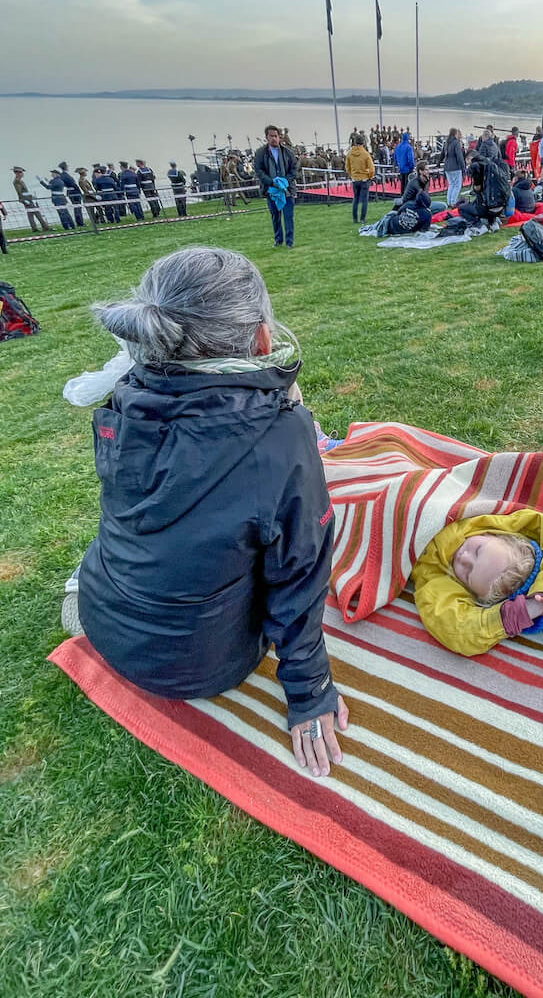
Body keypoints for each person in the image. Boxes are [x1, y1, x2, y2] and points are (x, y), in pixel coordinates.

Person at [75, 247, 347, 777]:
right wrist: (310, 690)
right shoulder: (280, 435)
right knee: (292, 527)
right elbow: (300, 571)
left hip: (104, 619)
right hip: (200, 664)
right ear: (261, 339)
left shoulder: (126, 396)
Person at [410, 510, 543, 656]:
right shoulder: (491, 521)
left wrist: (510, 617)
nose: (464, 557)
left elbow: (458, 630)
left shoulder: (436, 576)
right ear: (495, 535)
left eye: (468, 574)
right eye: (478, 551)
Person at [253, 125, 297, 248]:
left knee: (288, 217)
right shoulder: (260, 153)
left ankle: (289, 242)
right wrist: (272, 183)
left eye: (276, 136)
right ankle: (278, 240)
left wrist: (285, 181)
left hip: (287, 190)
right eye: (271, 136)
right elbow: (259, 171)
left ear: (280, 137)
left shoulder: (287, 152)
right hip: (271, 191)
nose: (274, 139)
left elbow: (294, 169)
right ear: (266, 137)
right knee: (275, 217)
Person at [344, 133, 375, 224]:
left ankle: (354, 219)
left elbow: (347, 167)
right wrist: (369, 176)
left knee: (355, 199)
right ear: (363, 143)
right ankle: (362, 218)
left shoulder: (349, 154)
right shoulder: (365, 154)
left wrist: (352, 175)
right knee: (364, 200)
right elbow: (372, 168)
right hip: (364, 180)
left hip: (354, 179)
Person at [11, 167, 50, 231]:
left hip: (28, 199)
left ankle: (35, 228)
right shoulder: (17, 181)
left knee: (30, 214)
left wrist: (31, 196)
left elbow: (24, 191)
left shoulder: (20, 181)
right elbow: (20, 192)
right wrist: (25, 200)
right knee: (37, 212)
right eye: (21, 172)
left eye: (22, 172)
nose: (22, 174)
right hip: (26, 199)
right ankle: (45, 227)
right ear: (16, 173)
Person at [441, 128, 466, 209]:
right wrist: (463, 168)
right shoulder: (456, 143)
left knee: (451, 184)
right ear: (455, 134)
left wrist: (438, 163)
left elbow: (442, 154)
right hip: (455, 167)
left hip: (447, 166)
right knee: (457, 185)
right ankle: (453, 202)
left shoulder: (446, 142)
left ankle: (449, 201)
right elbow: (459, 156)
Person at [58, 162, 85, 227]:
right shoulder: (66, 175)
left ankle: (79, 221)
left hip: (70, 191)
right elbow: (73, 184)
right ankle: (80, 222)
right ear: (66, 167)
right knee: (77, 207)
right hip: (74, 192)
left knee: (77, 207)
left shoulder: (62, 175)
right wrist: (79, 191)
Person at [392, 131, 415, 198]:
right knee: (408, 185)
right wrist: (412, 166)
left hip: (401, 168)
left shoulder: (397, 147)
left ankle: (402, 197)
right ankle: (407, 197)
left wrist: (396, 166)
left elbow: (395, 158)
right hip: (408, 168)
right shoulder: (408, 147)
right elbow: (410, 158)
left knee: (402, 184)